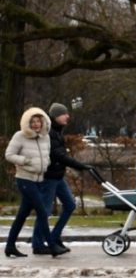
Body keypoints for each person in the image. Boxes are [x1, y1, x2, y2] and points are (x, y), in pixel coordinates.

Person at [6, 108, 61, 258]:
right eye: (33, 122)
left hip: (38, 180)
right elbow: (9, 155)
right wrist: (26, 161)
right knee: (42, 211)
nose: (36, 124)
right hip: (25, 179)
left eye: (38, 121)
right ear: (27, 123)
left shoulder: (45, 137)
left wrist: (47, 162)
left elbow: (46, 155)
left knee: (22, 215)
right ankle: (52, 246)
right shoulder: (20, 136)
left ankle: (10, 246)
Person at [43, 103, 92, 254]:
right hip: (49, 176)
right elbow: (58, 155)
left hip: (58, 176)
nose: (68, 116)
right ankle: (38, 243)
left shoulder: (58, 132)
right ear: (55, 116)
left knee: (70, 205)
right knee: (43, 211)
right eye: (64, 114)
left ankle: (55, 235)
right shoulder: (50, 133)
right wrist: (79, 165)